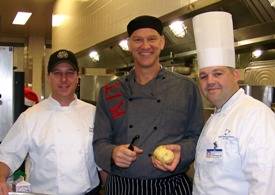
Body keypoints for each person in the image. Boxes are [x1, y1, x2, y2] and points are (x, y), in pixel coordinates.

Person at [93, 15, 204, 195]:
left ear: (162, 42)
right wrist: (112, 153)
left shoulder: (185, 88)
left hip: (171, 187)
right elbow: (99, 143)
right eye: (138, 40)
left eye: (152, 39)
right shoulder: (109, 91)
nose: (145, 46)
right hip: (121, 188)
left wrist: (182, 152)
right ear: (129, 44)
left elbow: (198, 137)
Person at [192, 11, 275, 195]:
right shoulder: (215, 118)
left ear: (236, 75)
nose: (210, 81)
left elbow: (267, 186)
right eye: (203, 76)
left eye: (218, 73)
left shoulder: (256, 117)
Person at [0, 49, 102, 195]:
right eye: (57, 73)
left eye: (70, 73)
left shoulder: (94, 113)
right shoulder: (30, 116)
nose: (64, 79)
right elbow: (8, 155)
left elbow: (102, 161)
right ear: (49, 77)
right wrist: (0, 178)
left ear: (77, 77)